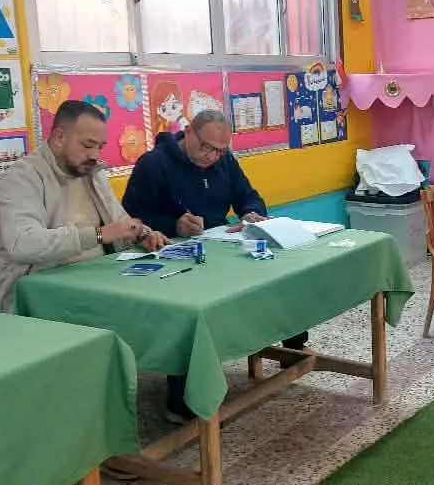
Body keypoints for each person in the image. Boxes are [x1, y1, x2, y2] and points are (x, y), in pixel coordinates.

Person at [121, 108, 309, 423]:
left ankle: (293, 346)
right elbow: (130, 218)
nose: (211, 156)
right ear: (188, 133)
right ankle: (183, 399)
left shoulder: (225, 161)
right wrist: (173, 224)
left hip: (218, 244)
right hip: (172, 253)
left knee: (277, 272)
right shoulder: (154, 164)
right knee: (191, 309)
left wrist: (250, 212)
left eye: (220, 150)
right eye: (206, 147)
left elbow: (248, 195)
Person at [0, 100, 168, 313]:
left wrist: (141, 235)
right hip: (38, 294)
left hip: (97, 281)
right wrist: (99, 235)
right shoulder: (21, 177)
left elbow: (119, 222)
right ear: (59, 137)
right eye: (87, 145)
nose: (95, 155)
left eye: (100, 147)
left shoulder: (91, 172)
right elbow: (22, 244)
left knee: (159, 299)